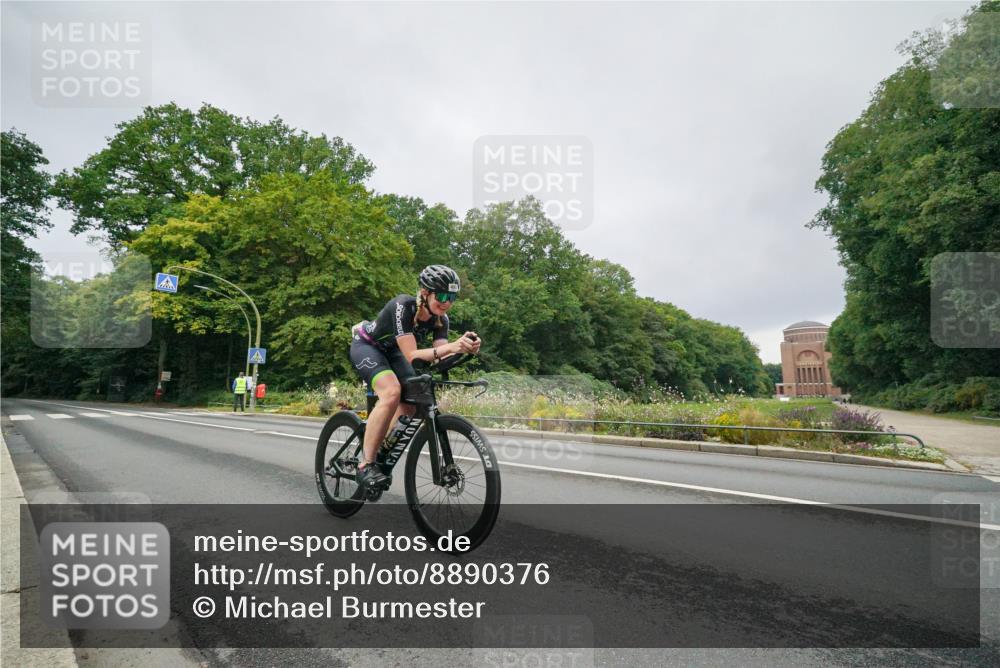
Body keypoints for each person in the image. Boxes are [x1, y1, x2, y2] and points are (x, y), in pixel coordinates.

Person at [349, 264, 481, 491]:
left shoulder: (442, 320)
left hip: (394, 353)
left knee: (412, 406)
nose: (446, 302)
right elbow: (412, 355)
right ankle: (366, 464)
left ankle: (382, 448)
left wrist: (462, 349)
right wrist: (453, 346)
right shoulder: (403, 306)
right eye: (441, 295)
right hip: (369, 347)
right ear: (425, 292)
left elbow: (438, 356)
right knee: (391, 393)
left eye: (451, 297)